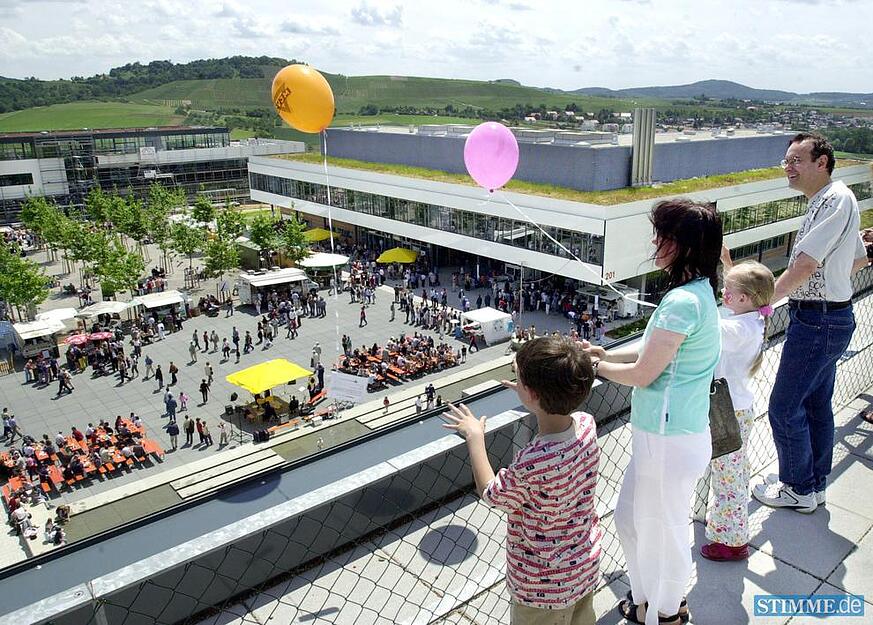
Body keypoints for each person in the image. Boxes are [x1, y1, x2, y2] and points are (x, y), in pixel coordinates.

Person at [583, 198, 721, 625]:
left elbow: (644, 373)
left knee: (666, 532)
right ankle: (645, 601)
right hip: (668, 435)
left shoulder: (682, 302)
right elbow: (653, 352)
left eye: (661, 235)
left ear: (679, 244)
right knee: (632, 519)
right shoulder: (694, 294)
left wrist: (594, 365)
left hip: (668, 437)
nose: (655, 242)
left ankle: (666, 612)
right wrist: (606, 354)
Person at [443, 336, 600, 625]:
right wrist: (534, 395)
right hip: (582, 567)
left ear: (531, 394)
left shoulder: (534, 460)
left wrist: (475, 436)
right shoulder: (588, 425)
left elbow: (491, 493)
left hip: (540, 586)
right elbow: (557, 408)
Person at [753, 133, 870, 513]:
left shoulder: (833, 199)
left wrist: (760, 302)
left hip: (818, 320)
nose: (788, 166)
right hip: (830, 316)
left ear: (823, 163)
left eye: (797, 159)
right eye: (786, 160)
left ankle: (798, 487)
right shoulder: (835, 200)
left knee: (784, 407)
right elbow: (857, 260)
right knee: (816, 405)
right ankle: (814, 485)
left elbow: (804, 264)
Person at [700, 260, 775, 562]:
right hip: (738, 408)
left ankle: (732, 542)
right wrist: (728, 263)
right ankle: (728, 528)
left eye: (728, 290)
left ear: (744, 298)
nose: (723, 293)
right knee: (734, 474)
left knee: (728, 479)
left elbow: (707, 325)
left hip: (726, 411)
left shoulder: (736, 328)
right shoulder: (751, 319)